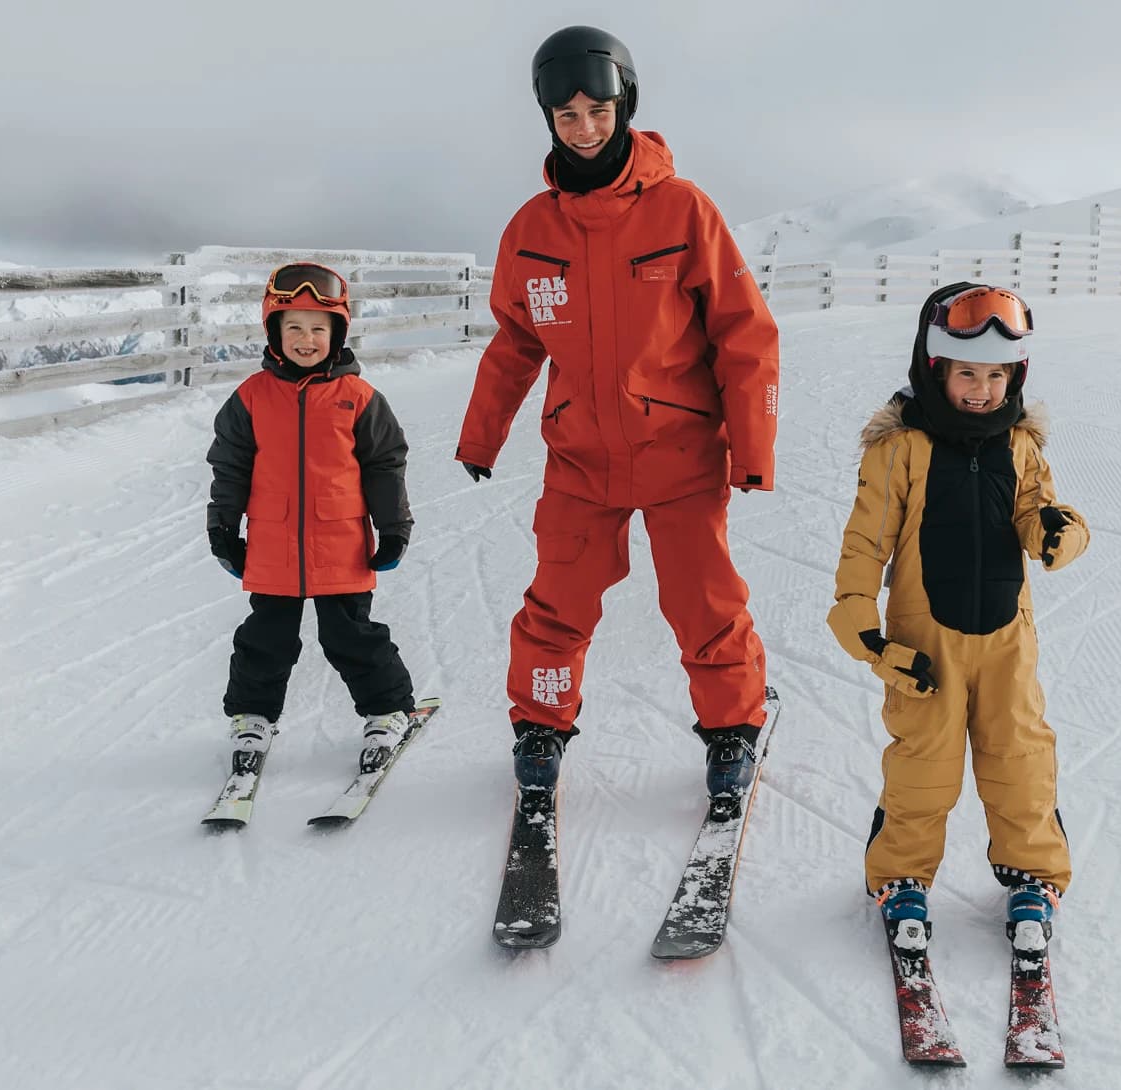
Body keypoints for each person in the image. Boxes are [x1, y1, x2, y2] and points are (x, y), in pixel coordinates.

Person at [455, 25, 781, 807]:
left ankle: (732, 729)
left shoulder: (682, 210)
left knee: (705, 603)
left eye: (597, 109)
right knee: (556, 605)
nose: (585, 127)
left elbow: (746, 332)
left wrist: (751, 446)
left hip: (681, 454)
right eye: (566, 115)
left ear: (624, 104)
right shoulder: (532, 230)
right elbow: (514, 344)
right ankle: (540, 726)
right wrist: (482, 434)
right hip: (581, 461)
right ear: (548, 121)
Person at [826, 283, 1090, 966]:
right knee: (924, 768)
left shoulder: (1021, 445)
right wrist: (863, 625)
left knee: (1021, 761)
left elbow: (1039, 510)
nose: (981, 389)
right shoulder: (900, 447)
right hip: (925, 645)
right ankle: (901, 879)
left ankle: (1034, 877)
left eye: (996, 375)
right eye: (967, 373)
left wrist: (1059, 531)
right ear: (935, 368)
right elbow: (866, 540)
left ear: (1015, 376)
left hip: (1008, 643)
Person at [206, 262, 418, 763]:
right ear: (274, 334)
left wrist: (394, 528)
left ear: (337, 333)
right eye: (294, 327)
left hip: (340, 544)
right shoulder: (250, 399)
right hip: (273, 546)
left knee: (352, 637)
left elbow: (385, 466)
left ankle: (387, 711)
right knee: (265, 639)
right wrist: (222, 526)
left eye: (318, 328)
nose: (306, 339)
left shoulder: (359, 398)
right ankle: (252, 718)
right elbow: (229, 468)